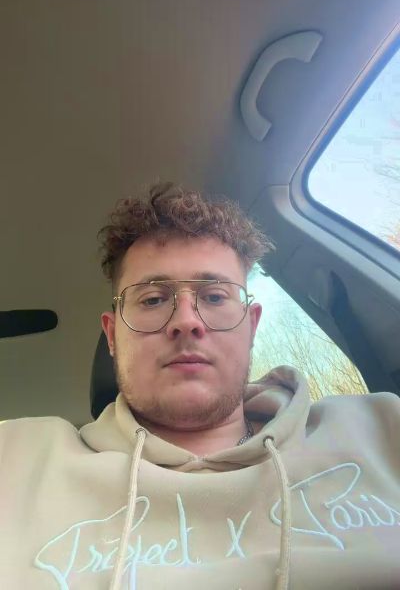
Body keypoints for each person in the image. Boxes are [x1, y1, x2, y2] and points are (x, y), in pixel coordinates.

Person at [1, 183, 400, 590]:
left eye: (214, 296)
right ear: (113, 335)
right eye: (153, 299)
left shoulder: (382, 428)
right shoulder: (17, 460)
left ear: (251, 327)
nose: (186, 321)